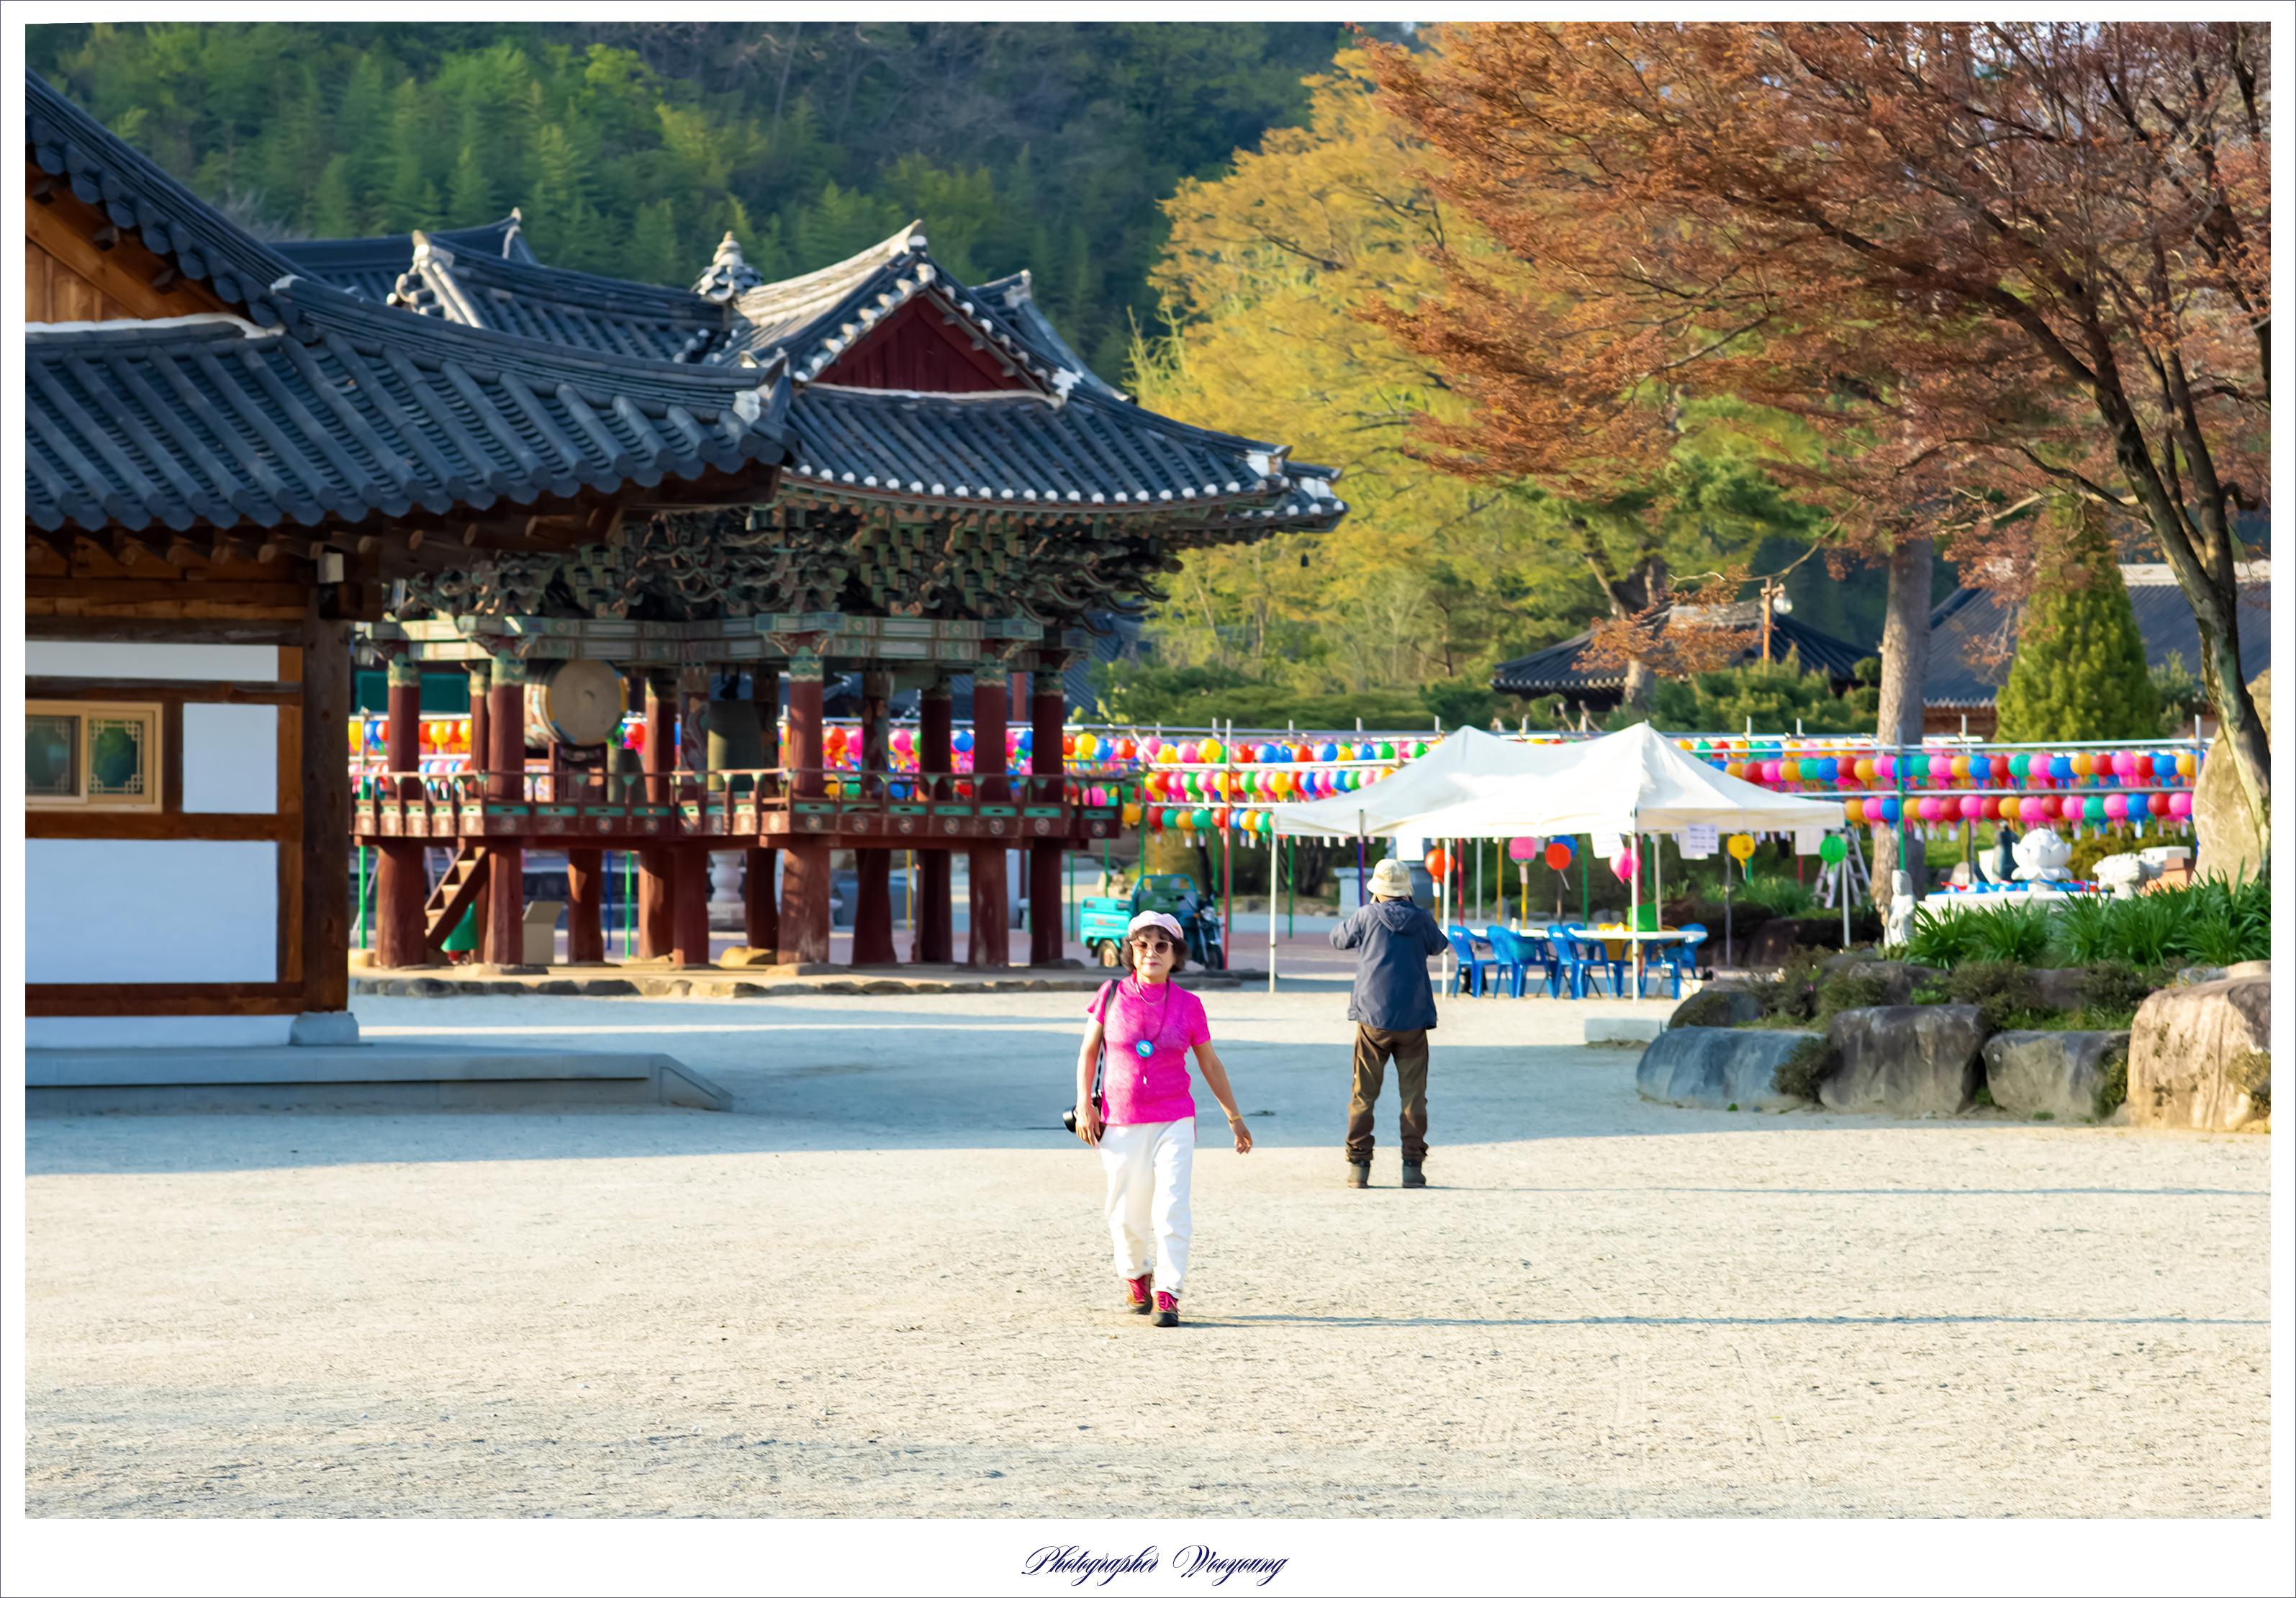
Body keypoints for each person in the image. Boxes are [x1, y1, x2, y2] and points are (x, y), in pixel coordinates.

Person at [1073, 910, 1252, 1327]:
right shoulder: (1110, 994)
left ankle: (1169, 1292)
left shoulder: (1190, 1005)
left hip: (1175, 1118)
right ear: (1131, 952)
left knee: (1171, 1206)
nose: (1150, 952)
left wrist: (1234, 1117)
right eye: (1142, 945)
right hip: (1120, 1119)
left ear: (1176, 955)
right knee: (1124, 1211)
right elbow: (1088, 1052)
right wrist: (1085, 1104)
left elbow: (1210, 1064)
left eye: (1161, 945)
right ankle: (1137, 1275)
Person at [1329, 855, 1447, 1189]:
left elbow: (1338, 939)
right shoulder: (1422, 918)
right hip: (1414, 1019)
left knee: (1363, 1094)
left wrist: (1370, 909)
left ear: (1377, 889)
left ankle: (1359, 1167)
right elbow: (1439, 946)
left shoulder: (1366, 915)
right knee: (1414, 1095)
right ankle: (1413, 1167)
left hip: (1372, 1019)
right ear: (1407, 890)